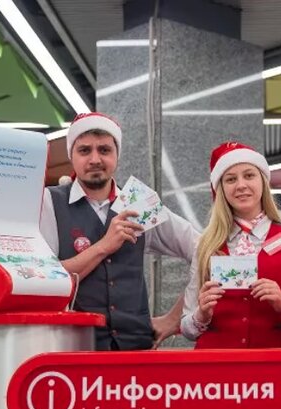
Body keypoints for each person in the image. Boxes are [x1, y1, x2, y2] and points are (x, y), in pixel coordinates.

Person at [39, 112, 199, 351]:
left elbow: (204, 248)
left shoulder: (138, 201)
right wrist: (103, 247)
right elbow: (43, 278)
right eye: (84, 150)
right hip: (74, 348)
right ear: (71, 156)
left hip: (136, 350)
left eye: (104, 150)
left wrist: (174, 318)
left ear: (117, 155)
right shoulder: (48, 201)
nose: (95, 159)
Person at [180, 142, 281, 348]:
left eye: (249, 175)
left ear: (263, 181)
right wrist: (201, 314)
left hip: (276, 360)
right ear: (221, 189)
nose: (241, 185)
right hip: (217, 363)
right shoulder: (206, 245)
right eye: (230, 179)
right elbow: (186, 328)